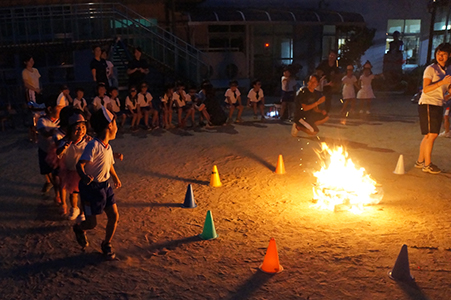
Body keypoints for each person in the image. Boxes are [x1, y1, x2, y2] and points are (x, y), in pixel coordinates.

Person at [74, 107, 121, 259]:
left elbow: (109, 163)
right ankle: (79, 228)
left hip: (105, 186)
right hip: (91, 189)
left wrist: (114, 177)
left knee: (114, 216)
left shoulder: (108, 146)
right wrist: (84, 175)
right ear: (109, 126)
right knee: (91, 223)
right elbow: (80, 164)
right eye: (115, 123)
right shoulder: (93, 145)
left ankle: (106, 243)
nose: (117, 127)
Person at [415, 43, 451, 174]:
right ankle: (427, 164)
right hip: (428, 103)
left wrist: (448, 94)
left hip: (438, 104)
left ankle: (420, 161)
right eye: (438, 54)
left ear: (449, 55)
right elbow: (426, 88)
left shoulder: (446, 71)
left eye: (443, 54)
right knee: (433, 134)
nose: (440, 57)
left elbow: (446, 90)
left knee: (428, 136)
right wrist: (442, 82)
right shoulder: (431, 69)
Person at [56, 112, 91, 221]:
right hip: (71, 171)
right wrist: (64, 148)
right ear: (70, 130)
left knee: (84, 194)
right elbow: (58, 153)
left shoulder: (87, 141)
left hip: (84, 171)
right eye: (77, 128)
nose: (80, 131)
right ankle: (74, 208)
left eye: (83, 127)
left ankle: (82, 212)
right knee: (73, 193)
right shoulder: (65, 142)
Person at [36, 95, 62, 198]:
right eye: (58, 108)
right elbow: (44, 133)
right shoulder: (42, 121)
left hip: (58, 151)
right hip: (45, 150)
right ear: (50, 109)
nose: (60, 111)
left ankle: (59, 195)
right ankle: (51, 183)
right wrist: (53, 131)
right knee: (48, 172)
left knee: (57, 174)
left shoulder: (61, 121)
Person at [22, 55, 44, 143]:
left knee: (40, 111)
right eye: (30, 61)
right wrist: (35, 89)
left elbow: (39, 81)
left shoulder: (35, 70)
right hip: (31, 92)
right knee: (33, 113)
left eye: (32, 61)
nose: (32, 62)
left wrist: (39, 89)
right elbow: (26, 84)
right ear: (26, 62)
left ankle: (40, 133)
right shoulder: (24, 72)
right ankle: (34, 135)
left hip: (37, 92)